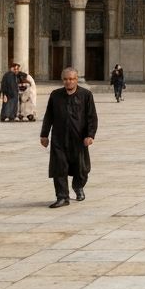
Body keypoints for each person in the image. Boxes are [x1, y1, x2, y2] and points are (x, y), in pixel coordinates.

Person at [39, 67, 98, 207]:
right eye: (65, 79)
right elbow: (49, 116)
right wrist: (44, 135)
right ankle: (62, 197)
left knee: (82, 168)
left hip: (79, 139)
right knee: (59, 167)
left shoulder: (86, 95)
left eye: (71, 79)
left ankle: (78, 186)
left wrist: (90, 135)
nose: (68, 82)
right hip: (59, 138)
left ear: (76, 79)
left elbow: (92, 117)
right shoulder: (55, 95)